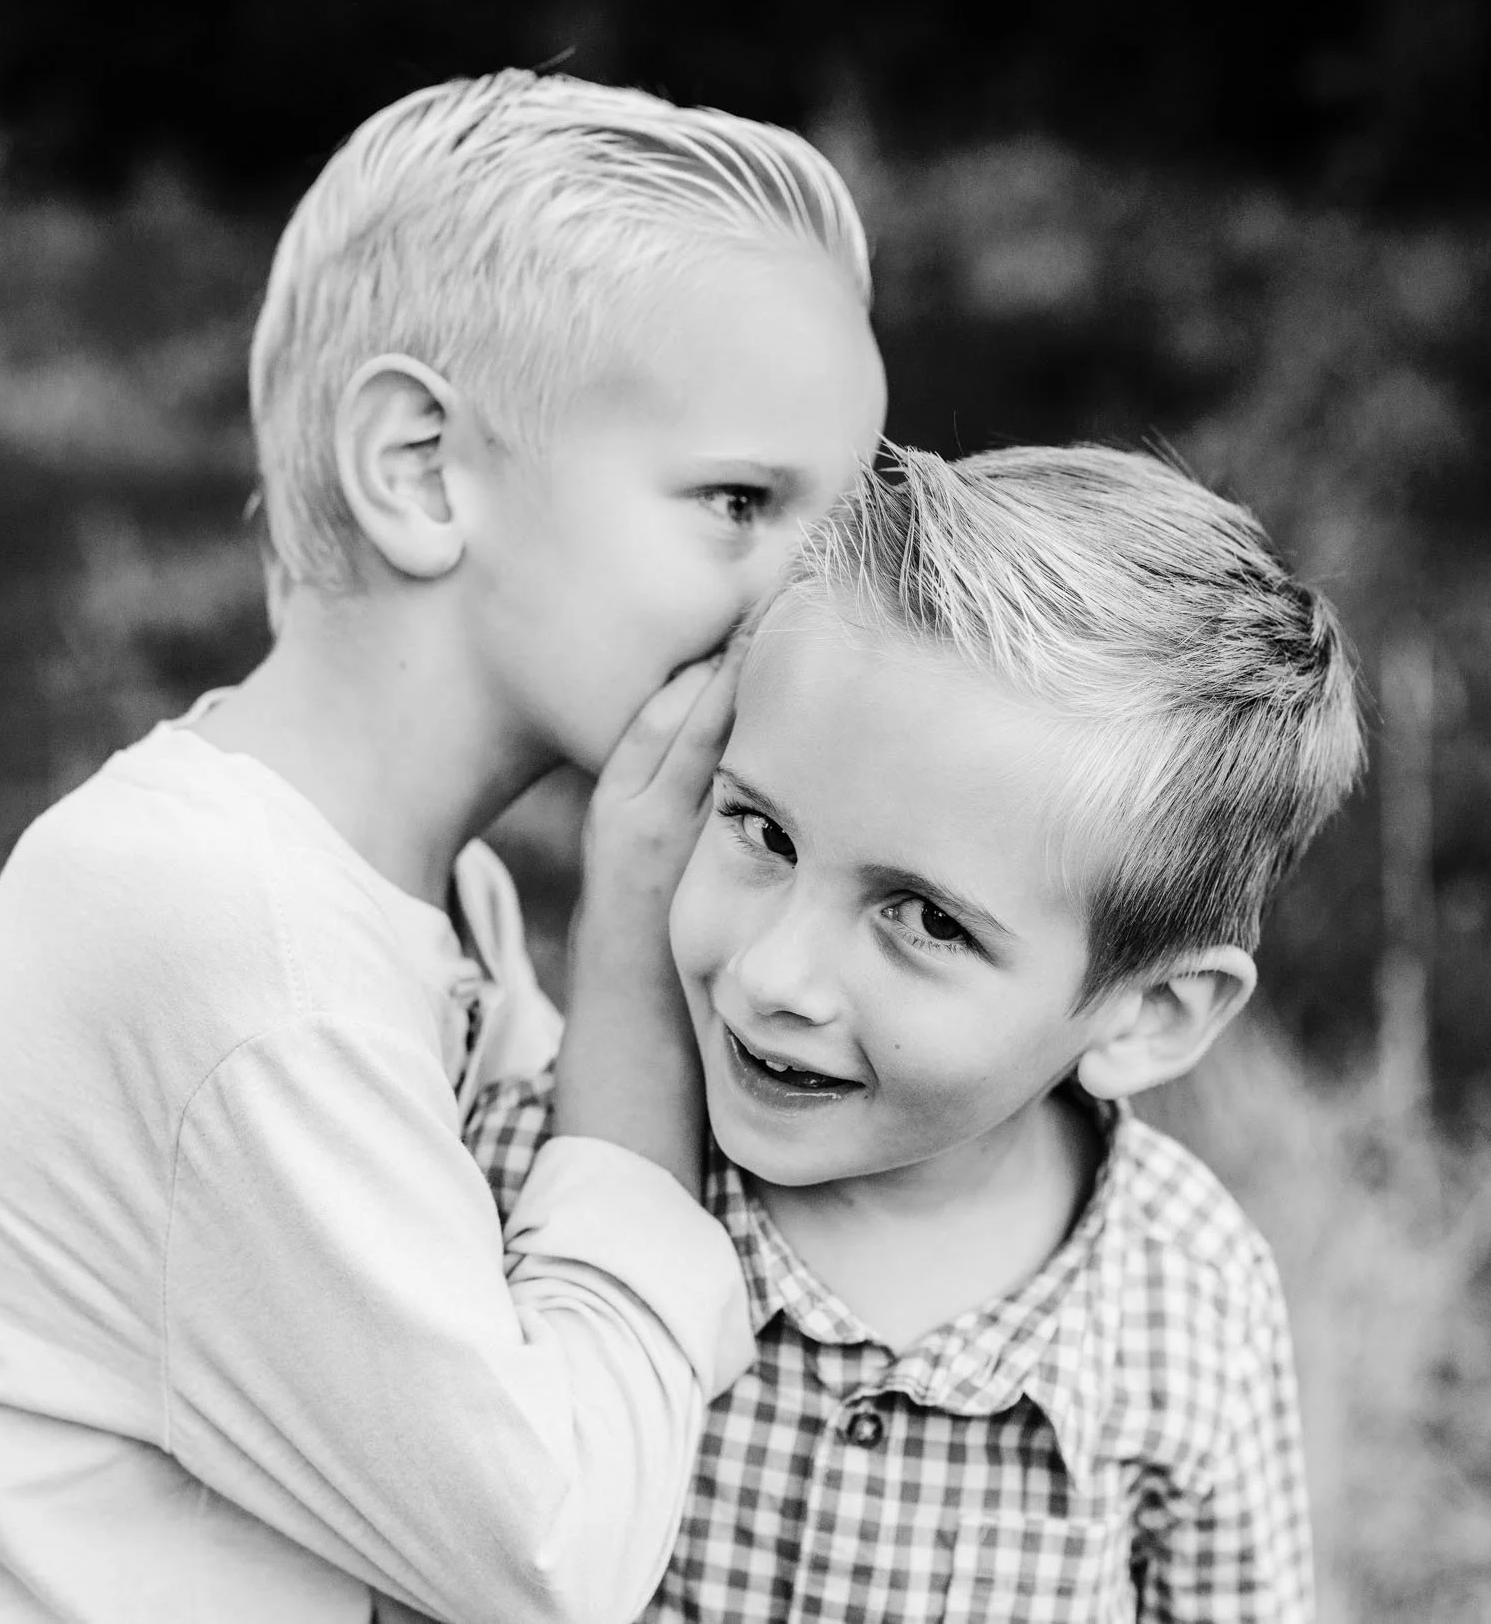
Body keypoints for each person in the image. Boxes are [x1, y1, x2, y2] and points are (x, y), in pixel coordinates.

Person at [0, 70, 887, 1624]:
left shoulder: (417, 896)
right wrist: (635, 957)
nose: (810, 601)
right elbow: (552, 1548)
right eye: (740, 501)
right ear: (420, 469)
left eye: (835, 530)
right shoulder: (242, 943)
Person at [469, 444, 1365, 1622]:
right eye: (763, 833)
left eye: (928, 920)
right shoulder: (529, 1175)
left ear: (1148, 1015)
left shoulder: (1188, 1296)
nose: (772, 973)